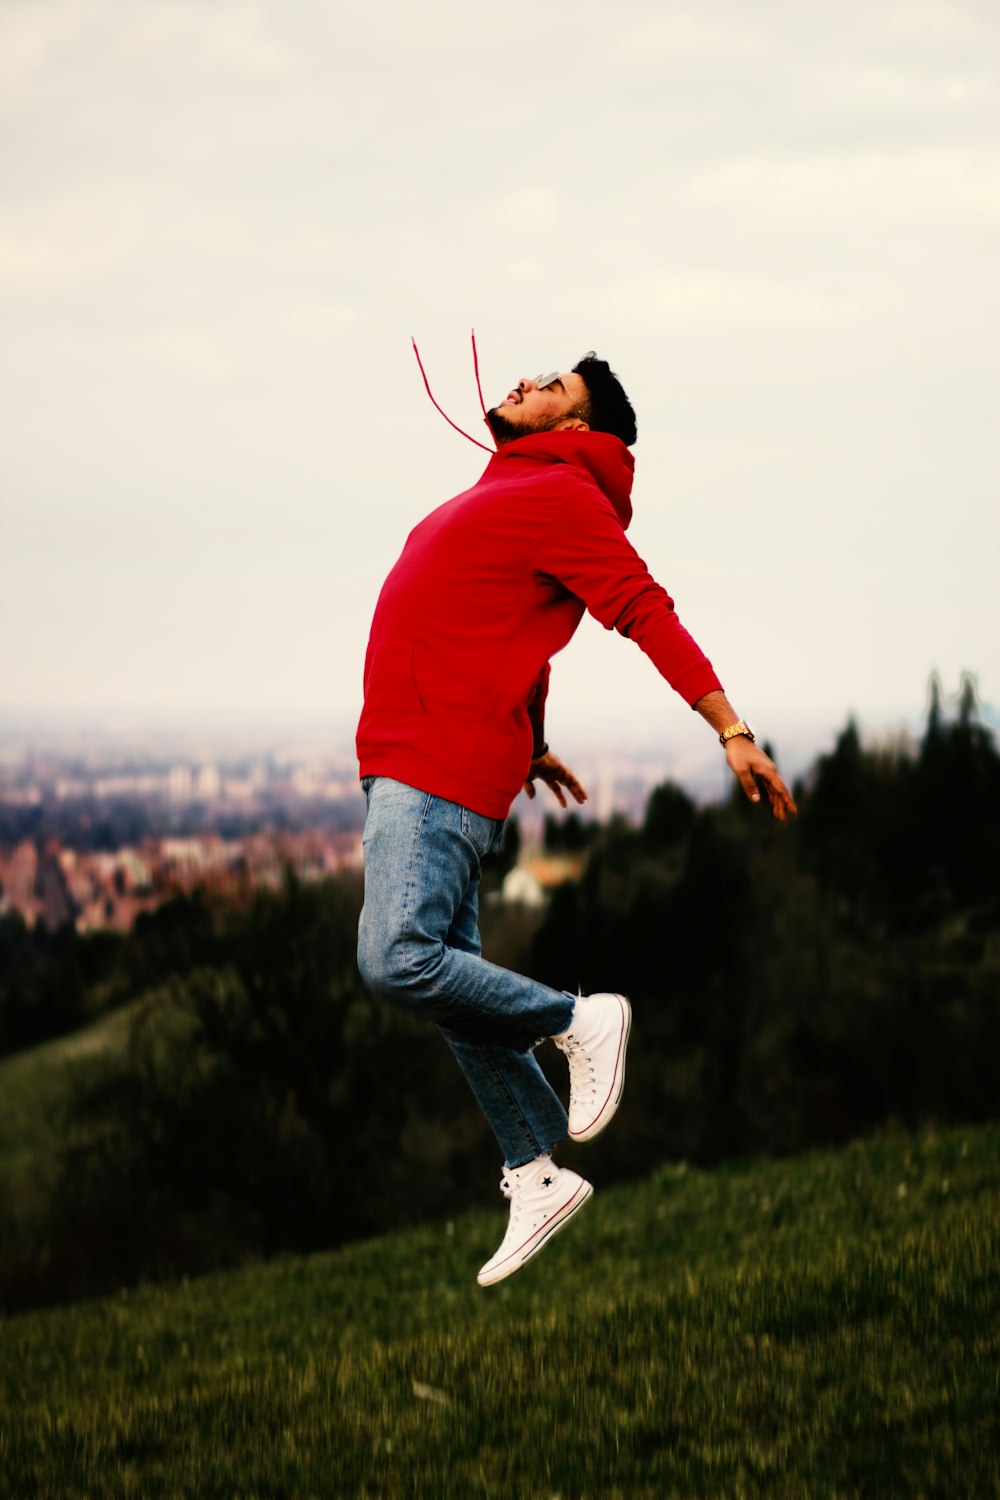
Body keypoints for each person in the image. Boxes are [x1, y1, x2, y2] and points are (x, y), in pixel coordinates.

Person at [356, 353, 796, 1287]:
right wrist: (535, 739)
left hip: (432, 770)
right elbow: (513, 620)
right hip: (422, 760)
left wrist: (731, 727)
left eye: (552, 386)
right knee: (453, 986)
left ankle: (580, 1020)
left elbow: (642, 608)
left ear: (574, 433)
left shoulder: (566, 495)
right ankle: (535, 1167)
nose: (524, 379)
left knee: (397, 958)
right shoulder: (511, 492)